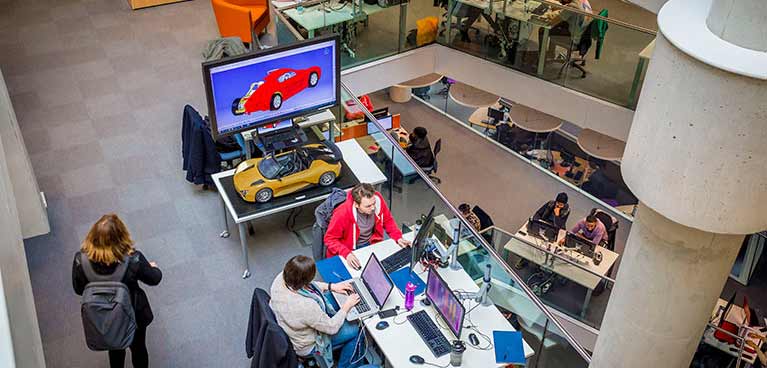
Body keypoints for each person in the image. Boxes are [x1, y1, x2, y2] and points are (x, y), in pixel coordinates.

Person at [72, 214, 162, 368]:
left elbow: (79, 289)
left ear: (93, 236)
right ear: (122, 236)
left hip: (104, 314)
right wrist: (152, 267)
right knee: (139, 348)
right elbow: (155, 279)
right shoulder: (134, 260)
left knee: (114, 349)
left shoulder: (81, 260)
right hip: (134, 313)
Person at [270, 255, 375, 368]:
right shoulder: (305, 306)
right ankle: (347, 365)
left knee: (333, 296)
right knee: (356, 330)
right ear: (304, 281)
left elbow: (309, 286)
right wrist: (347, 306)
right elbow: (332, 327)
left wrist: (332, 286)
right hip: (308, 345)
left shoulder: (281, 278)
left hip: (293, 328)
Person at [324, 183, 412, 270]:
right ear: (356, 205)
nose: (373, 208)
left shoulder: (377, 199)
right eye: (368, 206)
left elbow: (387, 220)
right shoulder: (342, 214)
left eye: (373, 203)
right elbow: (329, 239)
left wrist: (398, 237)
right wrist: (346, 253)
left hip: (371, 243)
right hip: (348, 249)